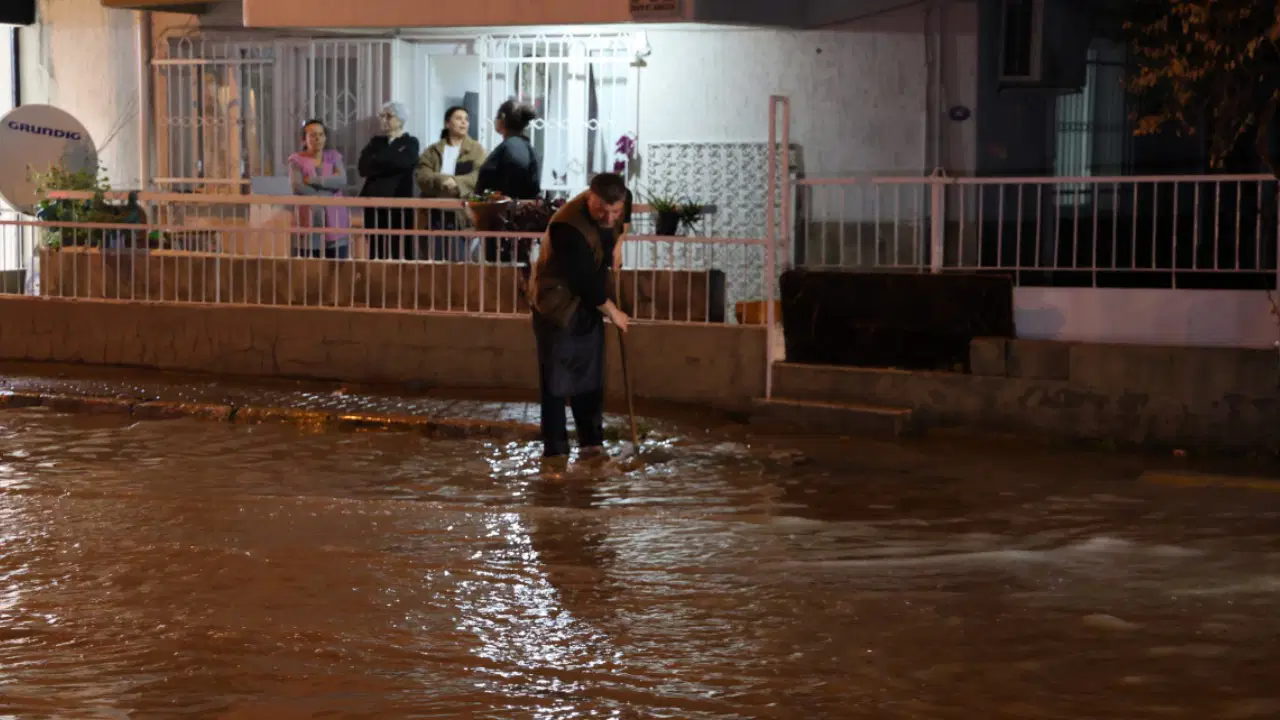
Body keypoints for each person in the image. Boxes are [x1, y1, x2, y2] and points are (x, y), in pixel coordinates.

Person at [528, 172, 632, 461]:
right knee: (557, 380)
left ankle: (591, 444)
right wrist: (615, 313)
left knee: (591, 374)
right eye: (602, 210)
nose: (609, 217)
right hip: (557, 302)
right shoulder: (567, 227)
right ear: (590, 197)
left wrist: (619, 242)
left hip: (587, 301)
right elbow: (585, 283)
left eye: (615, 211)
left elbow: (624, 216)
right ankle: (556, 451)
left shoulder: (621, 200)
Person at [416, 106, 486, 260]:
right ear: (448, 123)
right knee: (434, 263)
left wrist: (457, 182)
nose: (464, 122)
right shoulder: (433, 150)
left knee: (459, 264)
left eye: (466, 119)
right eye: (458, 118)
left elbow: (479, 175)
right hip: (434, 214)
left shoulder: (476, 149)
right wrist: (442, 181)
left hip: (461, 216)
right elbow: (421, 175)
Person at [475, 99, 541, 263]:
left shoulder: (514, 146)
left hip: (507, 224)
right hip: (506, 222)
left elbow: (517, 174)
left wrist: (505, 200)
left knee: (503, 274)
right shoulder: (518, 145)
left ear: (502, 118)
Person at [358, 101, 421, 260]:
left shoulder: (410, 142)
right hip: (374, 203)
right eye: (382, 116)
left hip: (399, 202)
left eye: (389, 116)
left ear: (400, 119)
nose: (384, 119)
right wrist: (389, 159)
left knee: (400, 249)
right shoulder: (375, 141)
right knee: (375, 248)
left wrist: (377, 160)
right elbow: (363, 168)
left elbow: (405, 162)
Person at [288, 119, 351, 259]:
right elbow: (298, 187)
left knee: (336, 270)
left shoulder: (334, 156)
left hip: (335, 221)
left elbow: (342, 181)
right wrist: (330, 190)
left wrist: (313, 180)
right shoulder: (296, 160)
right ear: (304, 139)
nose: (318, 139)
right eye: (312, 135)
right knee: (306, 271)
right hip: (308, 221)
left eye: (321, 135)